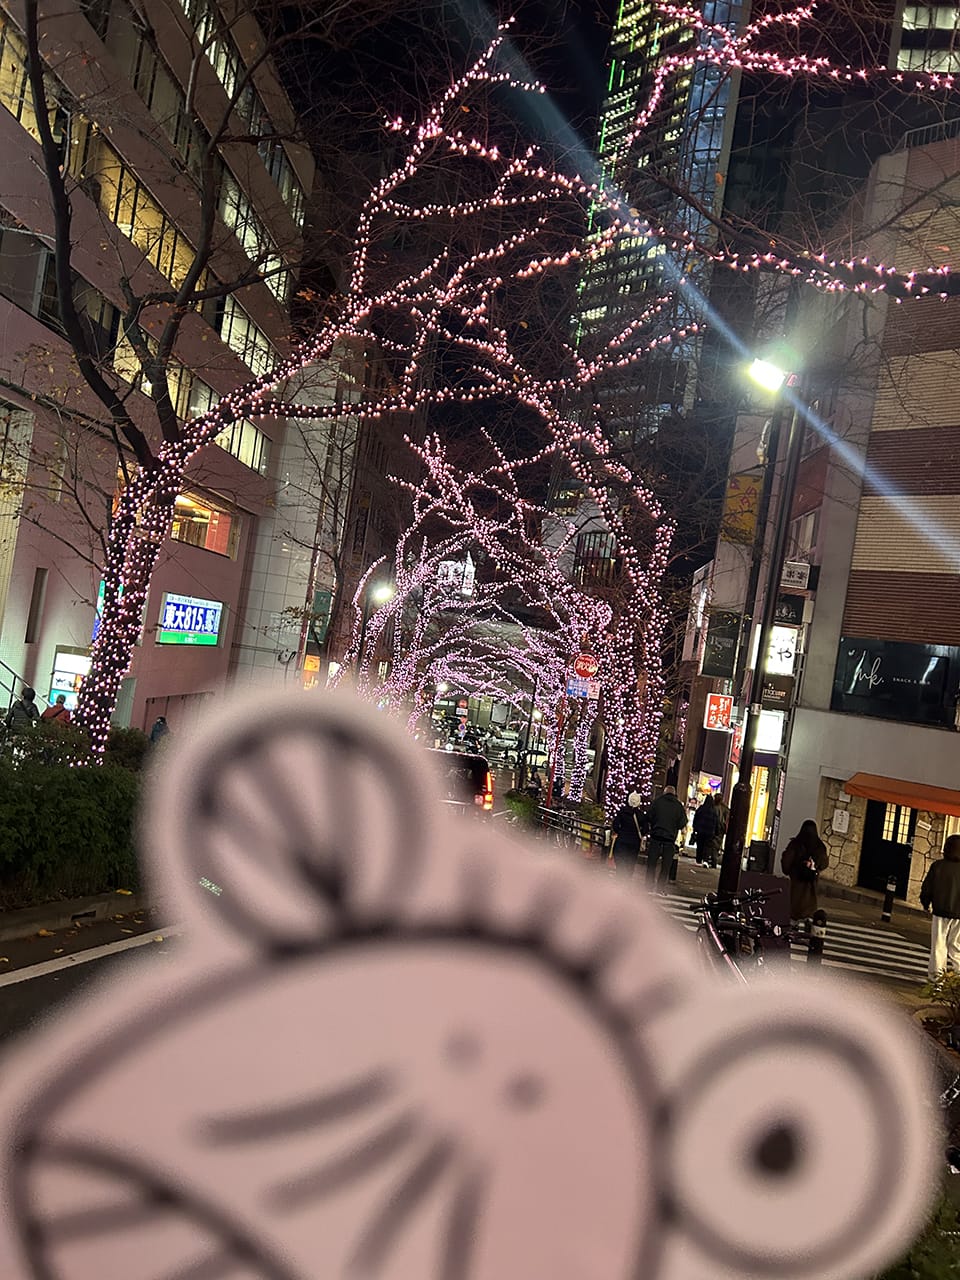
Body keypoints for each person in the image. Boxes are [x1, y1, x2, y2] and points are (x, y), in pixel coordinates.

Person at [920, 835, 960, 980]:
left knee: (938, 946)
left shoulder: (938, 866)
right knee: (956, 947)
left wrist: (925, 903)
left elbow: (927, 888)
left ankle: (936, 980)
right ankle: (958, 979)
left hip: (940, 911)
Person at [780, 819, 829, 922]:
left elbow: (786, 863)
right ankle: (806, 922)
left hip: (796, 883)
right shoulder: (819, 846)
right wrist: (815, 867)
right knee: (808, 908)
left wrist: (791, 869)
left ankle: (793, 923)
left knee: (794, 906)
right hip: (811, 883)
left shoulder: (795, 844)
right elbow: (824, 864)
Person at [644, 785, 688, 891]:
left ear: (664, 792)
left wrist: (654, 824)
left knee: (651, 864)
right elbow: (682, 823)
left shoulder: (657, 802)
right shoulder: (678, 806)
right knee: (666, 866)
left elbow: (649, 816)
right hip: (669, 839)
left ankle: (649, 886)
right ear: (674, 794)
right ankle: (660, 887)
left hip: (656, 837)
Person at [610, 791, 646, 876]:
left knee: (620, 862)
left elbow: (615, 825)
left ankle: (620, 878)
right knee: (630, 863)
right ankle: (627, 879)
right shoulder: (641, 815)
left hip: (622, 840)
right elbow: (645, 829)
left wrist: (619, 832)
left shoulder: (622, 812)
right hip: (634, 843)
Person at [692, 794, 720, 867]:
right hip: (710, 832)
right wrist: (717, 831)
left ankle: (699, 859)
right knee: (707, 846)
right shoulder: (714, 811)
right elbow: (716, 822)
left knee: (700, 845)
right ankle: (705, 860)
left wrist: (695, 828)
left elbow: (696, 818)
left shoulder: (701, 809)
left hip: (700, 831)